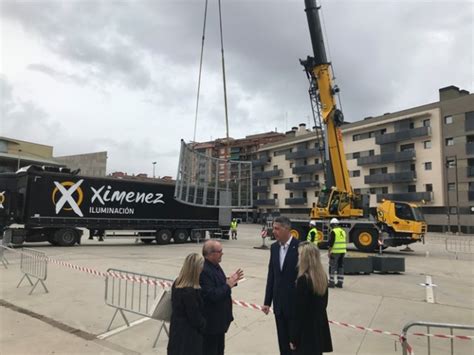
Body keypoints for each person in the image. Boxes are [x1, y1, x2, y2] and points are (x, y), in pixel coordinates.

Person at [262, 216, 300, 355]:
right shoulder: (274, 248)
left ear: (287, 229)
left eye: (277, 229)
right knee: (283, 343)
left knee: (295, 344)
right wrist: (267, 301)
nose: (274, 231)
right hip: (279, 305)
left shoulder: (300, 247)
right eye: (273, 228)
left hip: (295, 305)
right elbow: (271, 275)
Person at [200, 240, 244, 355]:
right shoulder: (204, 270)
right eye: (220, 251)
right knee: (211, 351)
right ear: (211, 253)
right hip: (212, 324)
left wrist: (232, 280)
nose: (222, 254)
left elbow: (219, 283)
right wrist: (228, 285)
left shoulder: (215, 266)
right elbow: (212, 295)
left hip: (219, 323)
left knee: (219, 350)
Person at [289, 242, 333, 355]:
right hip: (318, 330)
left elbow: (299, 313)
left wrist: (293, 337)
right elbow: (324, 304)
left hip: (305, 334)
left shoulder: (303, 280)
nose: (298, 257)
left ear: (304, 259)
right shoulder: (322, 276)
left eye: (299, 255)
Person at [167, 253, 206, 355]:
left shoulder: (177, 282)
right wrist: (203, 324)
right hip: (188, 335)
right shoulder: (189, 292)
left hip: (176, 329)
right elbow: (195, 317)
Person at [328, 218, 347, 288]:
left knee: (332, 266)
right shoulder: (343, 231)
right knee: (340, 266)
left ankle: (331, 282)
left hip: (335, 252)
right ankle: (340, 282)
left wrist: (329, 252)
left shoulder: (333, 231)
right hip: (342, 252)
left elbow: (331, 243)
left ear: (332, 225)